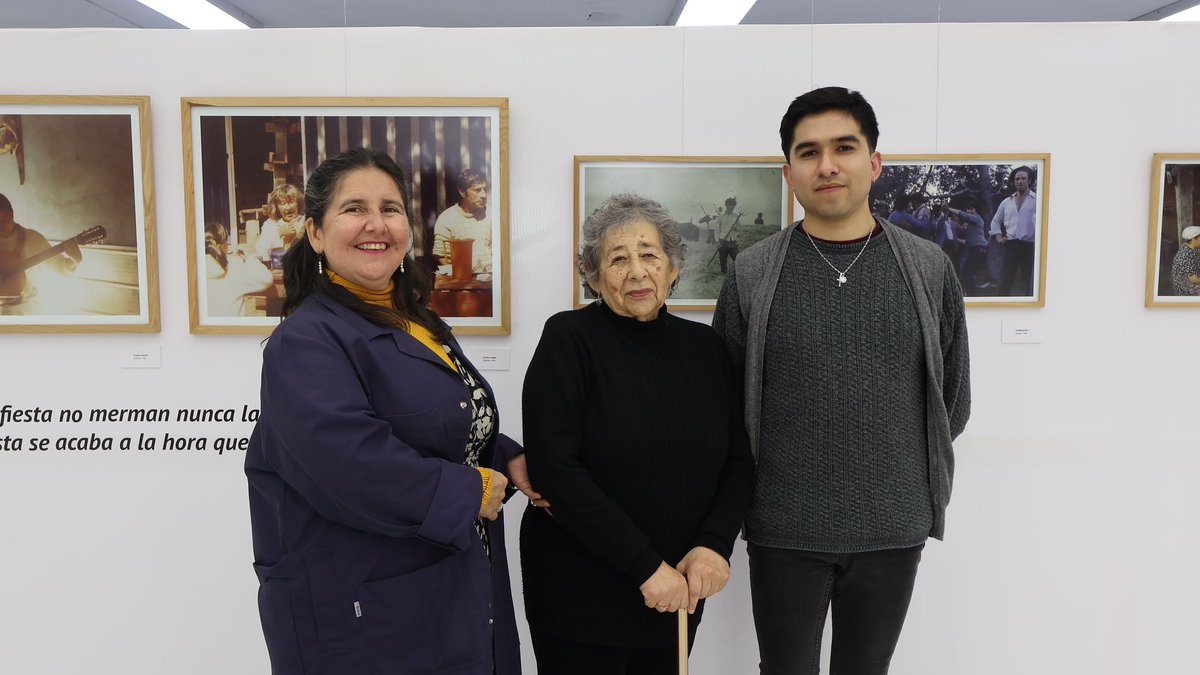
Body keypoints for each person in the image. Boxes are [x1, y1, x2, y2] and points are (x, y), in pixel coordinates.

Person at [712, 87, 971, 675]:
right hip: (782, 524)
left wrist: (890, 467)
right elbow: (727, 401)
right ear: (789, 172)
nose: (826, 165)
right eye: (808, 152)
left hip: (893, 524)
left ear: (873, 163)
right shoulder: (752, 272)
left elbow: (951, 398)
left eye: (843, 148)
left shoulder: (928, 267)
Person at [245, 148, 533, 675]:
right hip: (364, 612)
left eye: (391, 208)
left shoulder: (412, 318)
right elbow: (349, 466)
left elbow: (430, 416)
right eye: (354, 208)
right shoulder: (306, 341)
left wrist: (504, 455)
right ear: (314, 233)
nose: (376, 224)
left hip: (445, 593)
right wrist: (472, 490)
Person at [520, 193, 753, 674]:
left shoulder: (705, 348)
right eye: (617, 258)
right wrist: (646, 567)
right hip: (581, 594)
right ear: (592, 275)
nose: (636, 271)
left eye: (650, 254)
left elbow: (737, 458)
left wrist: (714, 544)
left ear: (673, 267)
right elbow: (556, 470)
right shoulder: (568, 339)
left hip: (678, 590)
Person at [0, 192, 81, 315]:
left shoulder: (32, 238)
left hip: (23, 312)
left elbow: (58, 265)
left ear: (12, 214)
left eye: (3, 221)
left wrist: (74, 261)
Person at [204, 222, 272, 316]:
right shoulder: (234, 266)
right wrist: (249, 257)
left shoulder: (194, 268)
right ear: (223, 246)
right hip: (233, 327)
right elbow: (267, 279)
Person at [433, 168, 492, 274]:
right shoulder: (447, 219)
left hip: (490, 278)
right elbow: (441, 256)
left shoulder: (491, 213)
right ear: (462, 191)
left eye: (485, 189)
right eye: (477, 190)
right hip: (464, 279)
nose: (484, 195)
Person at [991, 165, 1038, 296]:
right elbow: (995, 221)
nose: (1019, 181)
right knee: (1005, 282)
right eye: (1017, 179)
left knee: (1030, 283)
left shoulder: (1038, 201)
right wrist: (998, 236)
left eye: (1023, 178)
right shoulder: (1007, 202)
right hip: (1010, 245)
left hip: (1029, 246)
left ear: (1029, 181)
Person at [254, 182, 306, 260]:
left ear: (298, 203)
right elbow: (260, 250)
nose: (288, 208)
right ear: (276, 207)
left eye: (291, 202)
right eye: (283, 203)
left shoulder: (305, 221)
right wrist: (279, 234)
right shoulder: (270, 224)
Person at [947, 203, 991, 293]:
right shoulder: (973, 223)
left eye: (969, 209)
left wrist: (949, 208)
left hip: (978, 249)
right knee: (968, 274)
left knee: (967, 274)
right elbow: (967, 238)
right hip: (976, 249)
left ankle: (972, 297)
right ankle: (971, 295)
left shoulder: (976, 218)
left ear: (974, 210)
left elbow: (963, 214)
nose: (967, 211)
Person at [715, 196, 742, 273]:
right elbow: (716, 230)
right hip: (722, 241)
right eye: (731, 205)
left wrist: (735, 228)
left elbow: (740, 228)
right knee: (723, 262)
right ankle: (724, 276)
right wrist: (717, 241)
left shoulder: (736, 216)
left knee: (737, 260)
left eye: (734, 206)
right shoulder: (720, 217)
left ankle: (737, 274)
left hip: (733, 241)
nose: (732, 207)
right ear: (726, 205)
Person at [1171, 225, 1200, 295]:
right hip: (1186, 287)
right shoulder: (1185, 256)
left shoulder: (1191, 247)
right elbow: (1194, 280)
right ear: (1193, 239)